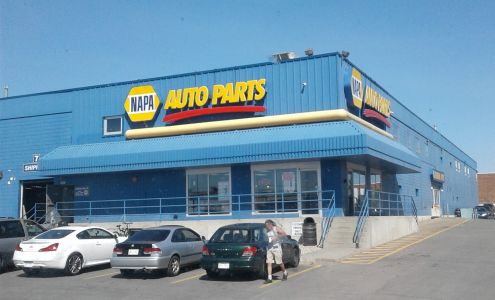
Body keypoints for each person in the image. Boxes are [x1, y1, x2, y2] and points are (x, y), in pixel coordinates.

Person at [264, 219, 288, 284]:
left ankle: (285, 272)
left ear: (271, 224)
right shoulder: (266, 230)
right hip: (269, 247)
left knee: (279, 262)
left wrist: (277, 237)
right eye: (266, 226)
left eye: (268, 225)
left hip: (276, 248)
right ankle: (269, 278)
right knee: (269, 262)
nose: (267, 227)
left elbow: (284, 234)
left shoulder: (276, 228)